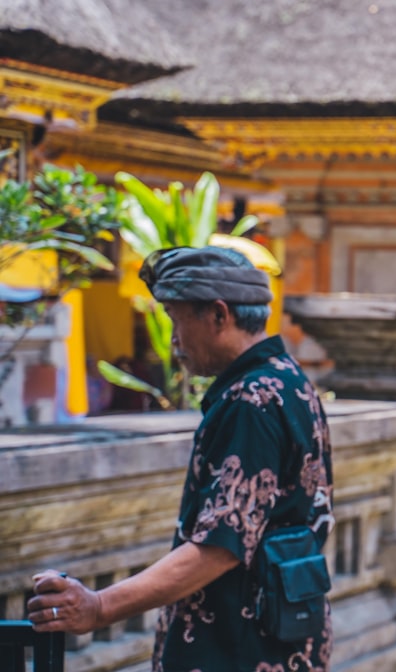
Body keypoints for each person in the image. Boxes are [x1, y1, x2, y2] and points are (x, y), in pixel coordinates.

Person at [27, 246, 334, 672]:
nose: (173, 339)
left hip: (238, 649)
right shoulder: (289, 379)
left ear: (219, 316)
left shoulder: (251, 400)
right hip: (288, 640)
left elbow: (219, 547)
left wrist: (99, 606)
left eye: (176, 318)